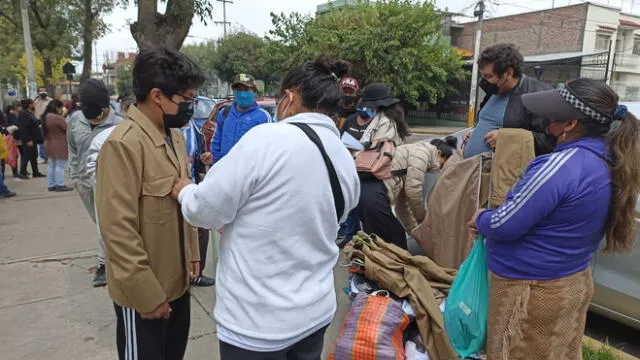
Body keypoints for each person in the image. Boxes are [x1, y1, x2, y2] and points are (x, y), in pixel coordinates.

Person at [172, 57, 360, 360]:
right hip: (315, 314)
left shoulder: (267, 139)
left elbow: (204, 210)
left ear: (289, 97)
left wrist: (185, 192)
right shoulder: (344, 155)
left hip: (257, 326)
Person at [469, 78, 640, 360]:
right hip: (571, 280)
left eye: (552, 116)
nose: (546, 122)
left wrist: (482, 218)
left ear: (570, 124)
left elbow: (505, 224)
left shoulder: (561, 166)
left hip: (531, 292)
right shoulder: (608, 161)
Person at [95, 47, 203, 360]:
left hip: (178, 282)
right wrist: (146, 295)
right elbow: (118, 230)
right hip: (145, 293)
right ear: (157, 95)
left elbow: (184, 201)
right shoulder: (123, 144)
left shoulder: (174, 136)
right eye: (186, 100)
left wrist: (193, 254)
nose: (189, 108)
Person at [68, 79, 122, 287]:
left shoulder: (118, 125)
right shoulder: (75, 120)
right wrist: (74, 173)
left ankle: (103, 265)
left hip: (106, 183)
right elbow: (72, 147)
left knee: (103, 223)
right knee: (97, 221)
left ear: (106, 107)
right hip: (82, 181)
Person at [464, 43, 554, 158]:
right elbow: (490, 122)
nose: (483, 81)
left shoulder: (538, 96)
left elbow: (549, 141)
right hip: (475, 168)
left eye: (489, 76)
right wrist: (476, 133)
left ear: (508, 73)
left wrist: (508, 138)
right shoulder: (493, 92)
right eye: (483, 76)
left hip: (505, 172)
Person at [357, 83, 410, 249]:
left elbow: (379, 148)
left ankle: (394, 257)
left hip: (382, 175)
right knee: (375, 223)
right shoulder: (381, 118)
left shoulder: (386, 122)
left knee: (380, 222)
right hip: (378, 176)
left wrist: (358, 147)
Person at [180, 101, 216, 287]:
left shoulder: (197, 131)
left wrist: (204, 159)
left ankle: (197, 273)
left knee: (201, 232)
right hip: (175, 190)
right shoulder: (168, 131)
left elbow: (201, 160)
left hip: (194, 189)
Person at [210, 73, 272, 163]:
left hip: (250, 173)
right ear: (234, 92)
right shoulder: (224, 113)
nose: (242, 94)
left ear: (254, 92)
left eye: (246, 90)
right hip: (225, 170)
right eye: (239, 90)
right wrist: (215, 164)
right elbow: (216, 141)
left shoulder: (263, 117)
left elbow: (269, 148)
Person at [41, 100, 73, 192]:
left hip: (49, 142)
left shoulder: (45, 117)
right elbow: (67, 129)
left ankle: (51, 184)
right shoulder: (57, 118)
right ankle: (60, 184)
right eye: (60, 108)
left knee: (51, 164)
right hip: (59, 143)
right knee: (60, 165)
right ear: (56, 107)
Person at [18, 99, 45, 179]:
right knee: (27, 156)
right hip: (28, 139)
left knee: (34, 156)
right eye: (33, 103)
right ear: (29, 105)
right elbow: (24, 128)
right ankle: (22, 172)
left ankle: (35, 172)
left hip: (33, 138)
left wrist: (41, 120)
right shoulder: (24, 114)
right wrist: (28, 140)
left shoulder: (30, 113)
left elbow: (35, 122)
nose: (34, 105)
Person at [34, 89, 52, 163]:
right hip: (39, 122)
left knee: (49, 139)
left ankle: (50, 156)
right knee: (41, 140)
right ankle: (43, 157)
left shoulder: (50, 101)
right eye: (41, 92)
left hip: (49, 121)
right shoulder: (36, 101)